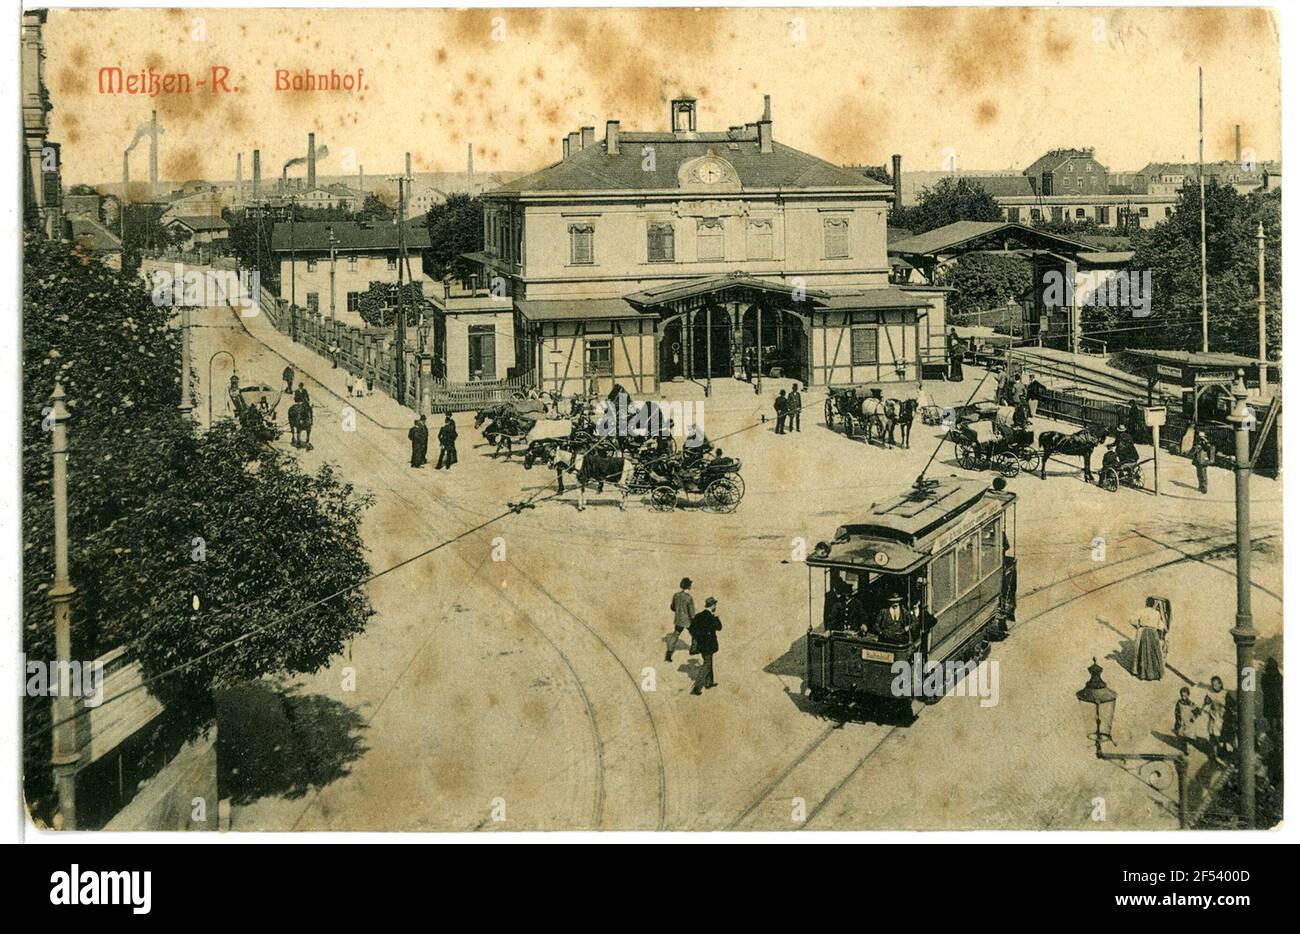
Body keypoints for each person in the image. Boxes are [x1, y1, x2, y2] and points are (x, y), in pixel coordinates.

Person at [688, 597, 722, 695]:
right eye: (715, 605)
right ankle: (697, 687)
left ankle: (709, 682)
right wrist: (717, 618)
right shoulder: (711, 617)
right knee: (707, 664)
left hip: (701, 645)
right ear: (713, 605)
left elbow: (691, 629)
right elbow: (719, 627)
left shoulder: (698, 616)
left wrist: (698, 637)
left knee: (708, 661)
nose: (715, 606)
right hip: (709, 644)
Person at [1131, 601, 1166, 680]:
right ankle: (1155, 674)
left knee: (1142, 652)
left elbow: (1132, 620)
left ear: (1146, 603)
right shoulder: (1157, 613)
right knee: (1154, 652)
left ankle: (1142, 674)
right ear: (1153, 604)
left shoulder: (1141, 611)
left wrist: (1138, 626)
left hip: (1143, 631)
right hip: (1153, 633)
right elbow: (1161, 625)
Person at [666, 578, 695, 662]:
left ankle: (668, 654)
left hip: (678, 620)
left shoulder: (676, 595)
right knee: (695, 633)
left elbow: (672, 607)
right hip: (688, 621)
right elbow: (692, 614)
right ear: (689, 586)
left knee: (675, 635)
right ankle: (694, 649)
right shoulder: (689, 598)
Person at [1203, 676, 1229, 764]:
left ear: (1220, 684)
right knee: (1213, 737)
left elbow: (1231, 705)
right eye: (1212, 685)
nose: (1214, 687)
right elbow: (1206, 702)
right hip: (1213, 719)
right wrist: (1206, 701)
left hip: (1222, 719)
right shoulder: (1210, 694)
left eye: (1216, 685)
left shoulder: (1225, 694)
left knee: (1222, 738)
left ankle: (1224, 754)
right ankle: (1216, 755)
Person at [1173, 686, 1198, 754]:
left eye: (1185, 695)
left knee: (1190, 735)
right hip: (1182, 721)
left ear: (1188, 695)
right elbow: (1176, 711)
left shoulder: (1191, 703)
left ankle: (1189, 747)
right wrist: (1177, 719)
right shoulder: (1179, 703)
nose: (1183, 697)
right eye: (1182, 695)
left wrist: (1193, 717)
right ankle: (1185, 748)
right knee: (1183, 735)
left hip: (1189, 722)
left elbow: (1197, 711)